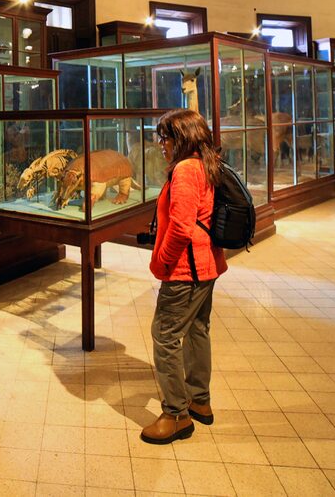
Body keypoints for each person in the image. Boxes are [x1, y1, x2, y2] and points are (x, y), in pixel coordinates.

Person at [141, 108, 227, 445]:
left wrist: (162, 262)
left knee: (164, 335)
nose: (161, 144)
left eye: (166, 137)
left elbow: (180, 226)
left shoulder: (187, 171)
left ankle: (176, 414)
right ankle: (199, 401)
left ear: (183, 138)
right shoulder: (204, 163)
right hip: (206, 265)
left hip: (186, 270)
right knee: (196, 330)